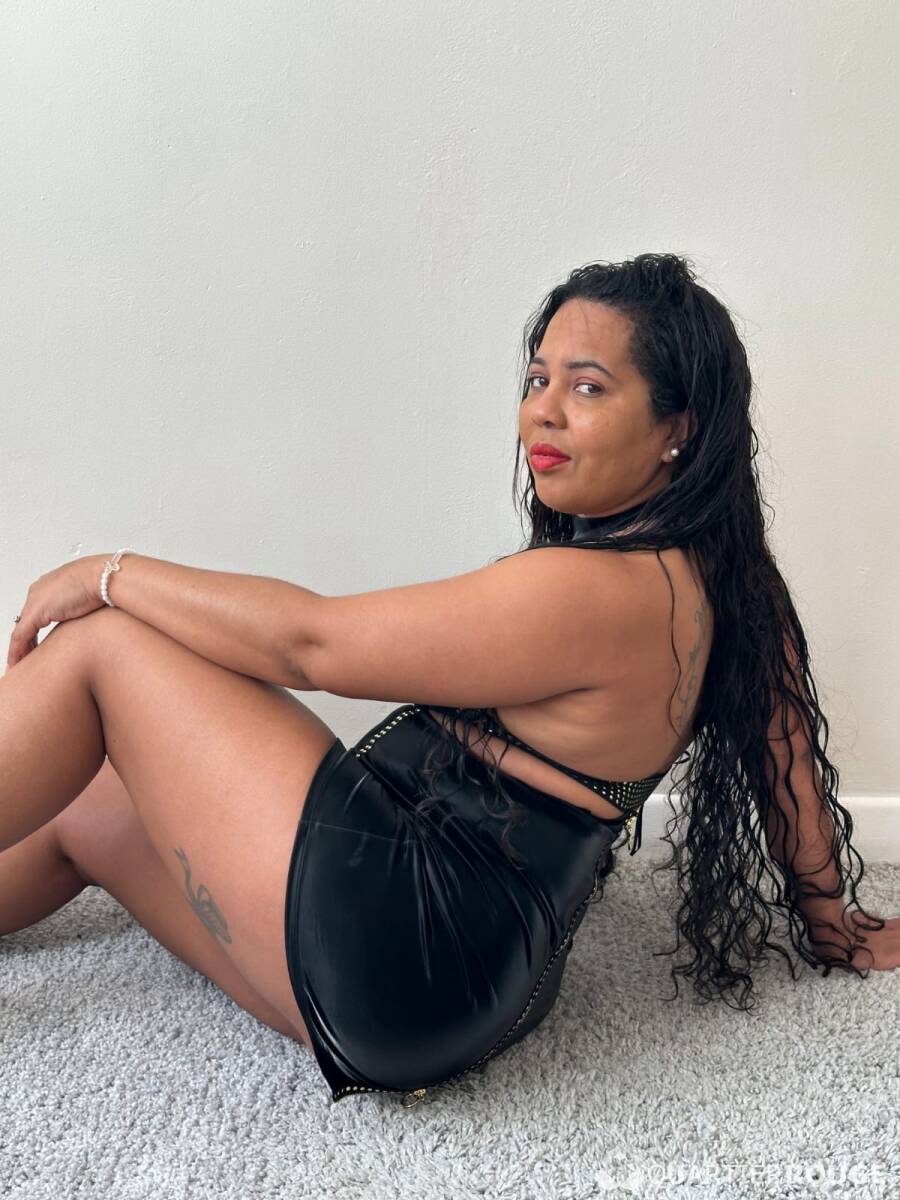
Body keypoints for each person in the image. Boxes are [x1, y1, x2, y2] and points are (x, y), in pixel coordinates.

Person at [3, 252, 897, 1110]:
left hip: (401, 947)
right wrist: (833, 924)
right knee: (88, 807)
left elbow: (309, 645)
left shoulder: (592, 591)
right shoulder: (729, 586)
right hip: (452, 995)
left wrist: (105, 573)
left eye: (588, 388)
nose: (543, 413)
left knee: (104, 647)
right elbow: (789, 774)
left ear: (678, 429)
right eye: (538, 380)